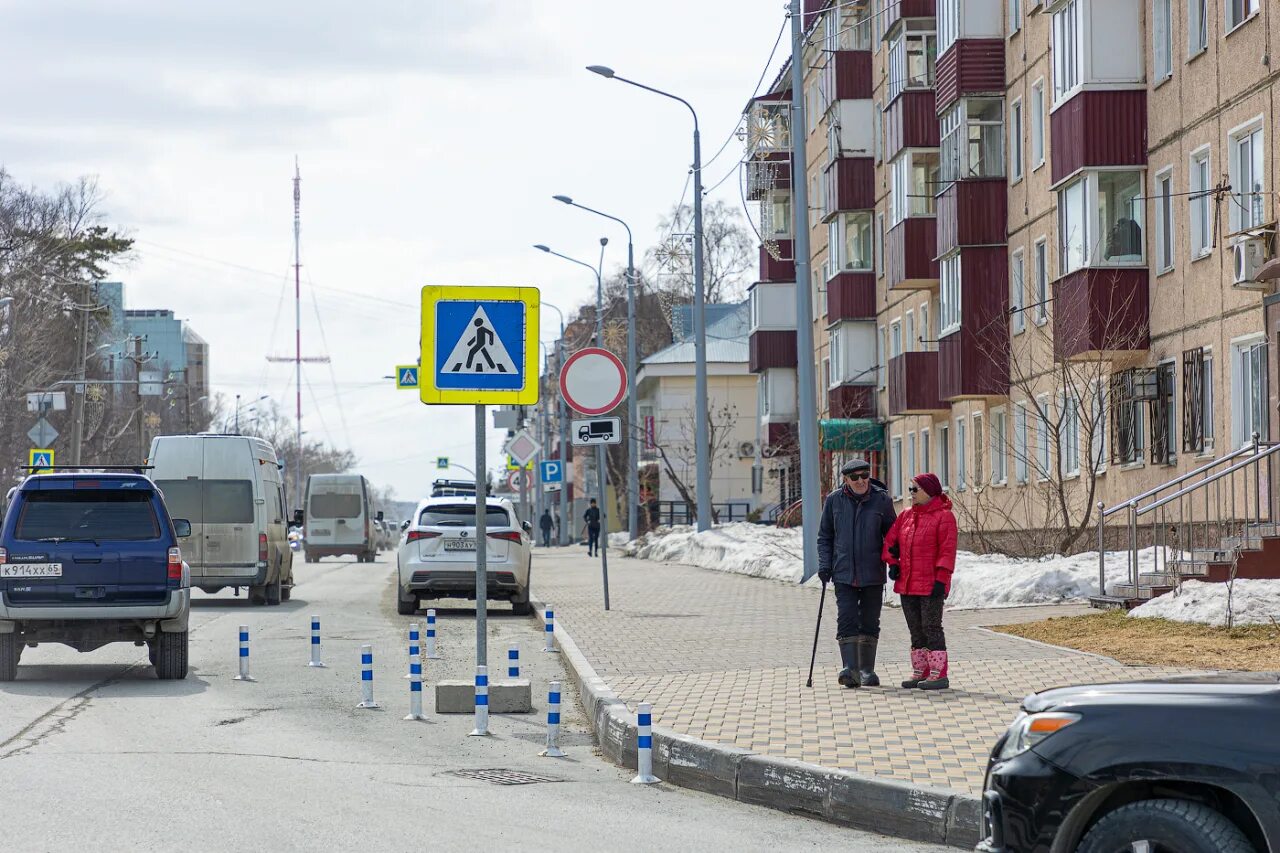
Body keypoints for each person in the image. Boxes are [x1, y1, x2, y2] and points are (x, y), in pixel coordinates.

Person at [816, 458, 896, 688]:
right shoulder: (834, 501)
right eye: (855, 477)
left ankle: (866, 670)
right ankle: (850, 669)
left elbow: (892, 537)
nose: (861, 481)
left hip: (872, 572)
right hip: (843, 572)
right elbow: (825, 537)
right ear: (845, 479)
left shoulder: (881, 501)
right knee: (847, 618)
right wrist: (824, 565)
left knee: (870, 620)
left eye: (864, 475)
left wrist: (894, 562)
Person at [882, 472, 958, 691]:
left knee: (931, 626)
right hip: (908, 583)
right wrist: (893, 563)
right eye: (910, 490)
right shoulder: (906, 516)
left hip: (931, 583)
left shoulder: (944, 517)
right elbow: (889, 541)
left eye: (916, 489)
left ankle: (938, 673)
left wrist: (941, 579)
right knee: (915, 629)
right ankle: (921, 670)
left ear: (930, 491)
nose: (911, 494)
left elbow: (947, 551)